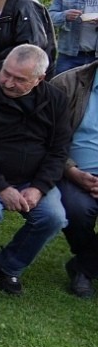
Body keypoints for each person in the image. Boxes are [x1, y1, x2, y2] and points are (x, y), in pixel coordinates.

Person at [0, 45, 72, 295]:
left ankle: (9, 265)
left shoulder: (55, 100)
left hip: (31, 179)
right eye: (6, 73)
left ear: (39, 79)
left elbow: (59, 150)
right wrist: (2, 187)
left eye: (19, 79)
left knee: (53, 217)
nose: (8, 82)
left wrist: (39, 188)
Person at [52, 55, 98, 297]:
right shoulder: (67, 83)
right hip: (73, 173)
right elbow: (45, 135)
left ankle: (84, 267)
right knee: (76, 209)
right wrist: (70, 170)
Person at [48, 0, 98, 75]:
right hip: (70, 55)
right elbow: (49, 17)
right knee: (62, 89)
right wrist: (64, 15)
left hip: (95, 56)